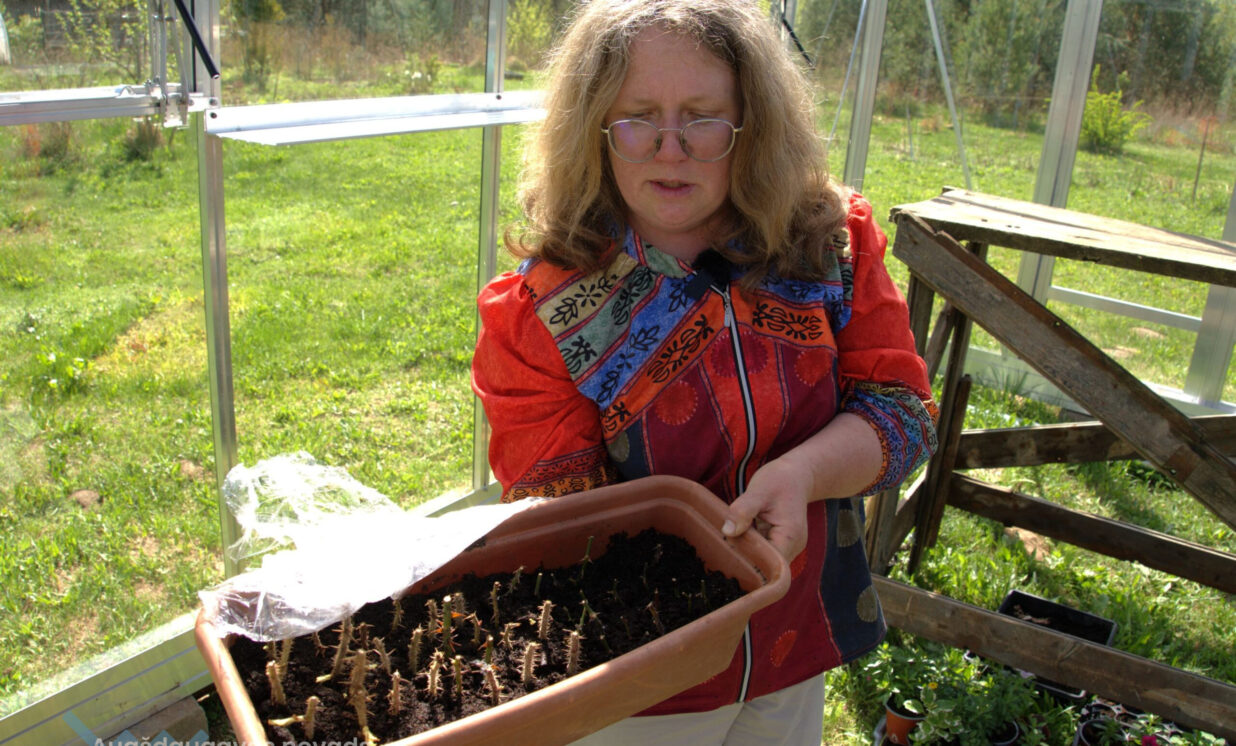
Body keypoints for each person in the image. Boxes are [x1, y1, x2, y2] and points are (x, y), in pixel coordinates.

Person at [471, 1, 938, 743]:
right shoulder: (543, 311)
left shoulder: (830, 245)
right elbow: (561, 525)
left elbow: (901, 413)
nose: (671, 149)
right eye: (637, 119)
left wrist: (802, 475)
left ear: (753, 124)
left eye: (703, 118)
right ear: (594, 129)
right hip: (643, 677)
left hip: (793, 631)